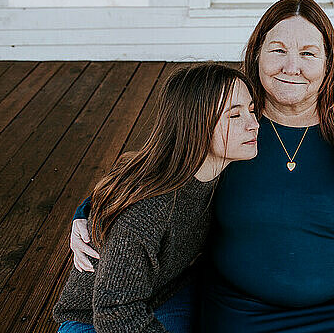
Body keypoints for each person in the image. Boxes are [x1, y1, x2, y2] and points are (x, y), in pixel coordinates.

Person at [68, 0, 334, 332]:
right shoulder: (233, 119)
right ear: (256, 55)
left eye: (309, 53)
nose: (292, 67)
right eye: (278, 50)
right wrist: (87, 214)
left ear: (330, 64)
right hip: (241, 308)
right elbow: (161, 162)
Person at [53, 63, 259, 333]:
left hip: (166, 291)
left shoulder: (220, 169)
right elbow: (114, 312)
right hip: (94, 319)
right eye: (234, 116)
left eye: (252, 110)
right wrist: (85, 215)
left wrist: (84, 211)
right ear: (194, 124)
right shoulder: (151, 209)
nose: (254, 124)